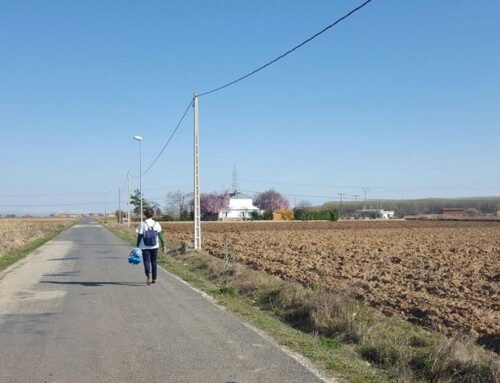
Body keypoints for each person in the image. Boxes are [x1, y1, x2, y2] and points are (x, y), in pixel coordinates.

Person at [136, 208, 166, 285]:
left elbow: (139, 236)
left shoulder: (142, 223)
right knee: (154, 262)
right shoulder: (156, 223)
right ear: (153, 214)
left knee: (146, 261)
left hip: (144, 246)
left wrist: (137, 245)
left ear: (145, 214)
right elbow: (160, 236)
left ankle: (148, 274)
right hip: (155, 246)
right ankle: (154, 278)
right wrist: (163, 245)